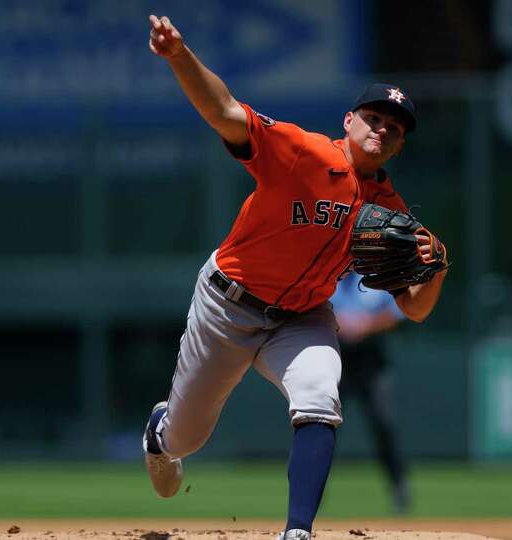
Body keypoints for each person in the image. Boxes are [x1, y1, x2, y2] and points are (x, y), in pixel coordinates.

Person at [142, 14, 448, 540]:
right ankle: (159, 433)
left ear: (399, 145)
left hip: (302, 318)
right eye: (374, 117)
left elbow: (415, 307)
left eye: (394, 128)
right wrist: (178, 56)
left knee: (320, 391)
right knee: (186, 438)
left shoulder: (390, 211)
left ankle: (297, 532)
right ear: (349, 121)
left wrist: (438, 264)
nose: (383, 129)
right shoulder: (302, 153)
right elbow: (224, 110)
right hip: (227, 305)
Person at [331, 272, 410, 514]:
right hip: (334, 359)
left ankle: (399, 487)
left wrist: (367, 324)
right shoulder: (326, 275)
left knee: (383, 423)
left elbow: (398, 312)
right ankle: (310, 490)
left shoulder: (377, 276)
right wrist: (336, 321)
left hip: (371, 360)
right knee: (320, 424)